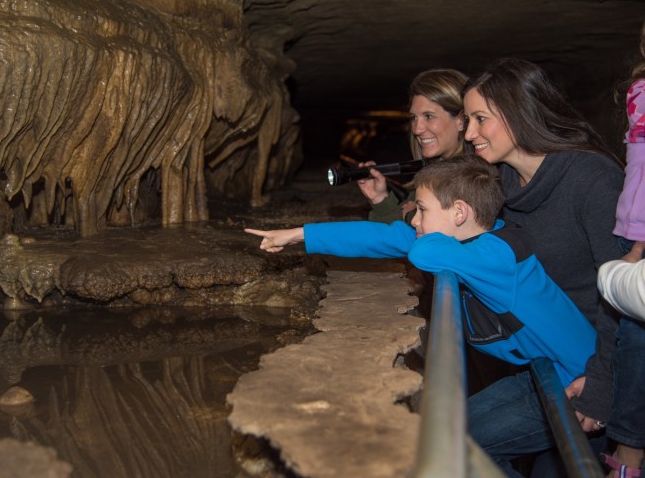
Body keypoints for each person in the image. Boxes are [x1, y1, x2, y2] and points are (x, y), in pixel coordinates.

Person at [244, 155, 597, 433]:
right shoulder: (480, 241)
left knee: (469, 445)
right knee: (452, 432)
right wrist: (297, 234)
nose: (414, 219)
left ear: (460, 212)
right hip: (541, 373)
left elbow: (422, 252)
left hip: (581, 384)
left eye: (423, 210)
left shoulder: (496, 256)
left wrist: (418, 237)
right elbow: (384, 237)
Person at [462, 57, 624, 476]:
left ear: (519, 111)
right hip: (546, 362)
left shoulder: (592, 178)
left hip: (598, 370)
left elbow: (624, 296)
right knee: (445, 433)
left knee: (459, 444)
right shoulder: (504, 186)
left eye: (480, 119)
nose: (468, 133)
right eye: (466, 120)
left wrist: (602, 386)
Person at [600, 21, 645, 477]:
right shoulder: (638, 89)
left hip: (641, 236)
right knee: (626, 336)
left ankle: (629, 455)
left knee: (635, 338)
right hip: (629, 227)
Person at [357, 69, 469, 224]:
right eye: (413, 118)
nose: (416, 129)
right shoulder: (430, 176)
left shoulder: (475, 178)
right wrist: (379, 199)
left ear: (461, 120)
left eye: (429, 116)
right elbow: (400, 237)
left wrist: (411, 215)